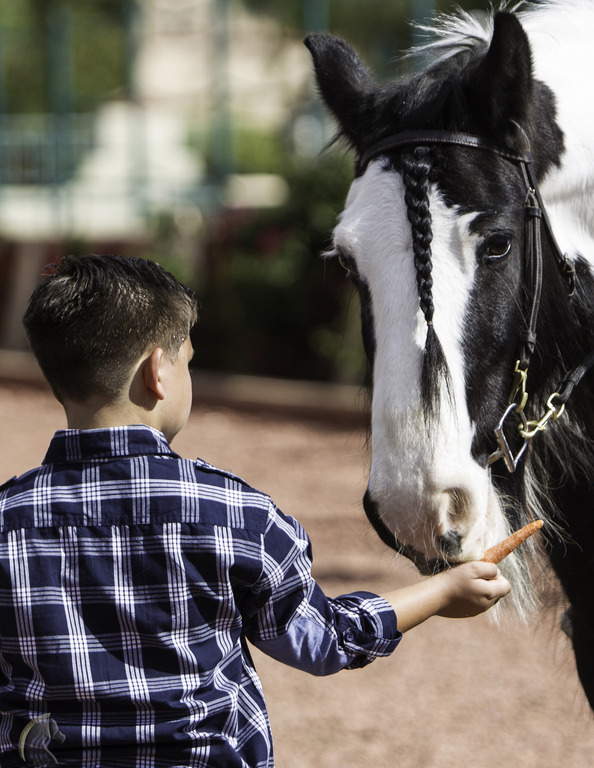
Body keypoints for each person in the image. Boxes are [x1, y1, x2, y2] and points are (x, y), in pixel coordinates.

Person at [0, 254, 510, 768]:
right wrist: (445, 591)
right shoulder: (233, 514)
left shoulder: (7, 521)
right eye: (188, 361)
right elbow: (323, 640)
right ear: (158, 372)